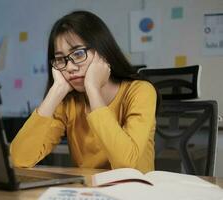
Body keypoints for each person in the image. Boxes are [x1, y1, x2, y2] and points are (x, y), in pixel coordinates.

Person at [10, 10, 159, 173]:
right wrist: (56, 90)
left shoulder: (141, 91)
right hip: (89, 193)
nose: (70, 67)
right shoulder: (69, 102)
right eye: (60, 59)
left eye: (78, 53)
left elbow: (127, 165)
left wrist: (93, 89)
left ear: (103, 51)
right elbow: (20, 159)